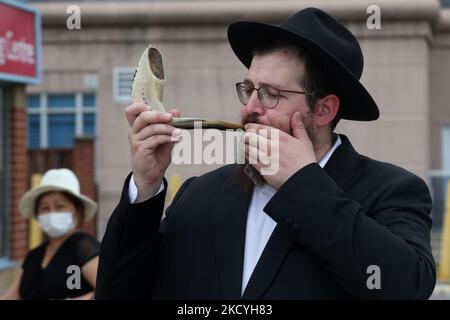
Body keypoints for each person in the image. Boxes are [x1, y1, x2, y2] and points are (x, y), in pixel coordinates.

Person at [96, 8, 436, 299]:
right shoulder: (200, 194)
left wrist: (303, 184)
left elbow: (405, 287)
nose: (250, 107)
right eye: (248, 90)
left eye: (271, 94)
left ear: (323, 111)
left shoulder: (390, 190)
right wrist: (145, 187)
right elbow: (119, 291)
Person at [0, 168, 100, 300]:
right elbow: (12, 296)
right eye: (44, 208)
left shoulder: (84, 248)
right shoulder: (34, 255)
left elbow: (109, 290)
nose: (52, 212)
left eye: (60, 206)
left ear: (77, 210)